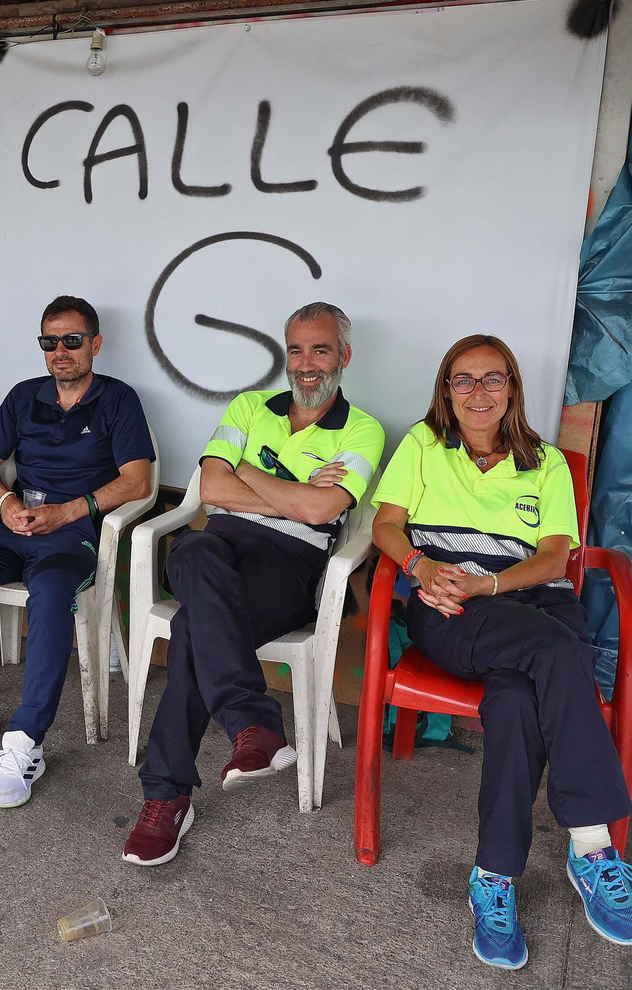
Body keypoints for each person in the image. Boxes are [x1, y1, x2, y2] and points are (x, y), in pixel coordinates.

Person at [368, 334, 632, 970]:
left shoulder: (546, 462)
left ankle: (493, 877)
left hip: (532, 601)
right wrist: (422, 565)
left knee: (520, 700)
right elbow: (385, 526)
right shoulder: (422, 445)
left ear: (511, 389)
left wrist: (494, 581)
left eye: (491, 379)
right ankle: (592, 846)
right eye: (463, 380)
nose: (477, 392)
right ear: (446, 389)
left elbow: (557, 557)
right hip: (452, 607)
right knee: (559, 653)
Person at [122, 302, 385, 867]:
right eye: (296, 350)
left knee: (194, 627)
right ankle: (251, 723)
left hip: (288, 566)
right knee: (191, 548)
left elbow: (321, 512)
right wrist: (290, 494)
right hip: (216, 548)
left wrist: (245, 470)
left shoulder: (363, 429)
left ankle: (168, 794)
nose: (306, 364)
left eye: (320, 349)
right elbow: (211, 491)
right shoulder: (248, 406)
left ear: (344, 356)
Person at [0, 295, 154, 808]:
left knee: (50, 594)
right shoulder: (23, 396)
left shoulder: (119, 399)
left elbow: (137, 482)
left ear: (95, 345)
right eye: (50, 341)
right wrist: (5, 500)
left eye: (72, 340)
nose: (60, 350)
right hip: (7, 527)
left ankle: (25, 742)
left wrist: (66, 512)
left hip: (69, 536)